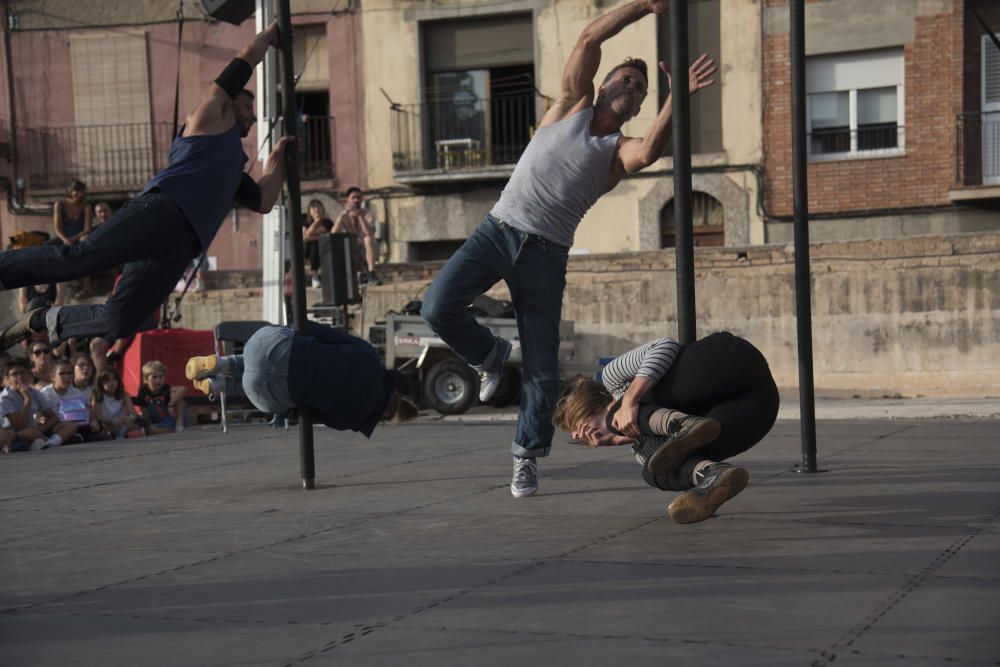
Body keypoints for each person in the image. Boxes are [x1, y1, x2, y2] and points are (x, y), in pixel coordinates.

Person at [421, 0, 716, 498]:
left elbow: (648, 152)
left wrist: (675, 97)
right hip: (499, 228)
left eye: (640, 90)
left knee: (539, 366)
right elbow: (587, 40)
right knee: (436, 307)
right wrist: (644, 6)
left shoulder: (617, 153)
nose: (632, 88)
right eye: (626, 80)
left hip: (547, 255)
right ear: (603, 85)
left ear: (641, 106)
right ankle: (488, 354)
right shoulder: (568, 107)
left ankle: (525, 457)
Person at [0, 22, 294, 350]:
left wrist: (279, 159)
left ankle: (39, 319)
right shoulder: (206, 122)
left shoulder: (232, 170)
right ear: (229, 103)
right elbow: (245, 59)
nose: (253, 118)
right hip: (159, 213)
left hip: (181, 247)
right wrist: (269, 37)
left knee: (120, 321)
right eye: (248, 107)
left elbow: (266, 199)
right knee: (78, 257)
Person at [553, 331, 779, 523]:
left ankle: (683, 424)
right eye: (572, 432)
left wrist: (630, 399)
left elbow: (665, 345)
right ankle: (713, 475)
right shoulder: (644, 452)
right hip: (755, 411)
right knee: (653, 469)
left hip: (725, 364)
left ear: (587, 405)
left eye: (574, 422)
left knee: (618, 413)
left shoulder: (613, 378)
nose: (576, 434)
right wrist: (621, 436)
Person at [185, 322, 417, 434]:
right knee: (259, 383)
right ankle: (219, 385)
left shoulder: (369, 357)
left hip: (266, 345)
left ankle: (222, 362)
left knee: (260, 357)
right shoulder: (354, 419)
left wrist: (296, 329)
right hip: (267, 393)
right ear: (384, 414)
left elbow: (325, 332)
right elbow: (308, 413)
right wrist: (282, 412)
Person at [0, 357, 77, 450]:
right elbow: (20, 427)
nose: (19, 377)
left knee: (70, 425)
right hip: (16, 434)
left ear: (28, 375)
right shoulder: (5, 398)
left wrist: (40, 429)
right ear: (8, 379)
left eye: (22, 373)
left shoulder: (34, 392)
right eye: (14, 374)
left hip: (34, 430)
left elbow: (53, 417)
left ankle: (49, 443)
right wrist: (27, 400)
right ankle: (41, 442)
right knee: (22, 434)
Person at [40, 359, 110, 442]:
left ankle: (79, 438)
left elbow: (86, 411)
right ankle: (52, 442)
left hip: (78, 425)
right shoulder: (45, 394)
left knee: (99, 427)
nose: (67, 377)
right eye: (62, 374)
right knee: (71, 428)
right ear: (52, 376)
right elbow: (40, 417)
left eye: (70, 373)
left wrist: (93, 420)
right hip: (57, 427)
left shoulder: (76, 392)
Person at [332, 187, 381, 285]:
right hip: (350, 249)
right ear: (348, 200)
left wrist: (360, 216)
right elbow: (333, 234)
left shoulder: (368, 214)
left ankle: (371, 274)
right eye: (353, 198)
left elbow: (369, 233)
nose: (356, 200)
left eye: (359, 197)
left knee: (368, 239)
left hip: (367, 249)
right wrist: (341, 217)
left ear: (362, 199)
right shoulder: (344, 215)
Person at [135, 360, 186, 434]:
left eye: (161, 376)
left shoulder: (165, 388)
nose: (158, 380)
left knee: (179, 399)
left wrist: (171, 405)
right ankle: (172, 431)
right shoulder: (143, 391)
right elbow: (144, 411)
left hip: (170, 419)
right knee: (149, 427)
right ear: (146, 379)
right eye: (154, 377)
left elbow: (183, 389)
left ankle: (179, 424)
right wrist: (148, 425)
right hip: (157, 422)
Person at [92, 367, 144, 439]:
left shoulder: (124, 394)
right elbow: (98, 417)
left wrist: (129, 418)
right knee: (101, 427)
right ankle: (116, 435)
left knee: (139, 424)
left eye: (114, 379)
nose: (112, 383)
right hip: (107, 423)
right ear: (101, 382)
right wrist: (110, 421)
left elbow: (134, 414)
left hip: (122, 423)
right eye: (107, 380)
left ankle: (123, 434)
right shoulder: (97, 395)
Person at [302, 199, 334, 289]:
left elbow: (309, 234)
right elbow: (304, 237)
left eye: (318, 206)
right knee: (312, 244)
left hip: (324, 249)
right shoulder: (306, 222)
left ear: (322, 209)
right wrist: (318, 236)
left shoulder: (328, 222)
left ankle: (315, 276)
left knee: (313, 244)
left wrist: (318, 220)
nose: (316, 209)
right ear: (309, 211)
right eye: (313, 207)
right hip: (308, 250)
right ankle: (314, 276)